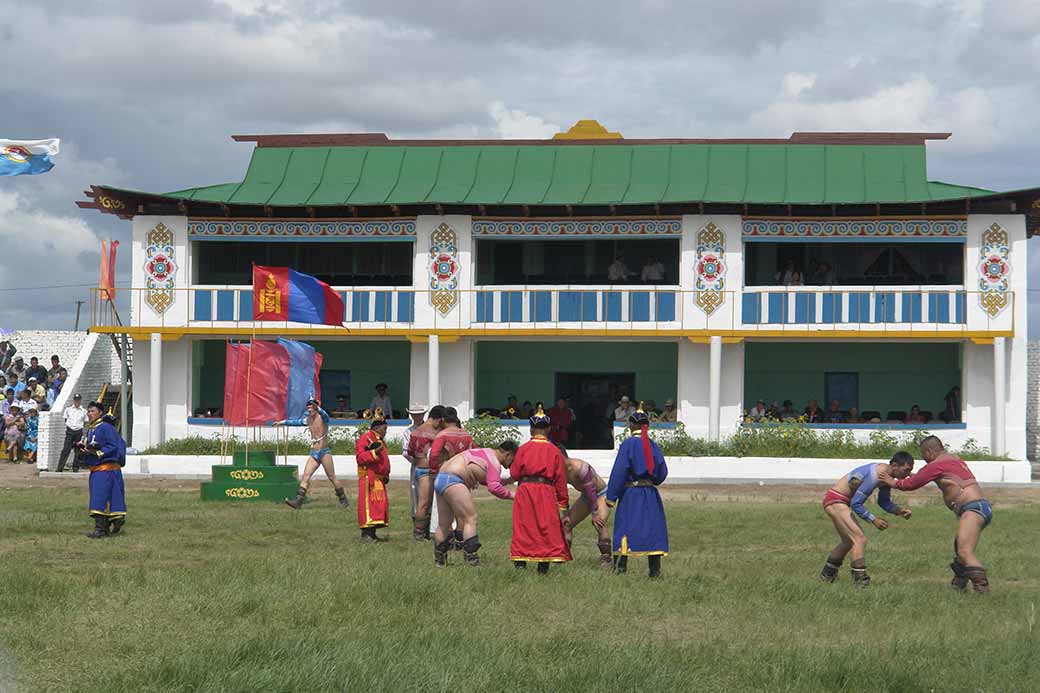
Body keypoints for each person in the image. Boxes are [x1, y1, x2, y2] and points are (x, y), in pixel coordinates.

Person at [880, 436, 993, 593]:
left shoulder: (936, 465)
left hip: (972, 509)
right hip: (981, 507)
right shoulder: (954, 459)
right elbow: (939, 478)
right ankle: (959, 586)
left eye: (923, 454)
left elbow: (910, 485)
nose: (924, 459)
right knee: (960, 550)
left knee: (964, 551)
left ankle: (982, 591)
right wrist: (914, 475)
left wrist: (891, 481)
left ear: (929, 451)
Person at [820, 453, 914, 586]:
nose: (908, 475)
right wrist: (873, 519)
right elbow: (856, 503)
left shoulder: (886, 476)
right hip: (836, 501)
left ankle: (827, 576)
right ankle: (860, 581)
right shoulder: (876, 475)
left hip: (837, 500)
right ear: (894, 465)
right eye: (906, 470)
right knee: (859, 539)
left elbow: (883, 501)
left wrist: (898, 511)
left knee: (848, 541)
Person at [606, 405, 669, 577]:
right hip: (650, 494)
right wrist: (651, 480)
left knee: (625, 528)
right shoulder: (652, 445)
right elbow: (662, 471)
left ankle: (620, 569)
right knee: (652, 530)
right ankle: (654, 571)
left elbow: (620, 471)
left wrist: (611, 497)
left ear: (632, 425)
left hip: (631, 494)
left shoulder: (628, 444)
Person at [432, 441, 518, 567]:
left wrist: (507, 481)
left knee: (444, 524)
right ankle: (471, 559)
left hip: (441, 477)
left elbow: (487, 478)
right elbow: (494, 488)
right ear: (508, 454)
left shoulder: (486, 452)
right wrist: (514, 496)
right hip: (454, 480)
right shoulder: (494, 462)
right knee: (470, 518)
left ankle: (440, 561)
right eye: (513, 460)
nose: (511, 464)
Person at [509, 406, 571, 573]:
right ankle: (543, 566)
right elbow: (560, 480)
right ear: (548, 429)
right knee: (546, 527)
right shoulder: (555, 451)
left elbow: (514, 473)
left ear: (531, 429)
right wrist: (563, 505)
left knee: (524, 525)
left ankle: (520, 563)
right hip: (546, 491)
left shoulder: (523, 449)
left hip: (525, 491)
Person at [274, 399, 350, 510]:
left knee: (332, 477)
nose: (309, 411)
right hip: (314, 453)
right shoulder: (308, 420)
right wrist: (282, 422)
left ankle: (343, 500)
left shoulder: (323, 418)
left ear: (316, 408)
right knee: (305, 476)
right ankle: (298, 501)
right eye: (308, 408)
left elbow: (325, 415)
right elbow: (296, 422)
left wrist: (317, 407)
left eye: (312, 408)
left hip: (324, 452)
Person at [78, 402, 127, 538]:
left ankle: (100, 529)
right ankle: (103, 528)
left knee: (100, 498)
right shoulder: (90, 429)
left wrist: (99, 453)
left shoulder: (106, 427)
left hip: (105, 470)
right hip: (95, 469)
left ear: (100, 413)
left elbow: (113, 446)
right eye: (88, 411)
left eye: (93, 411)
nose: (90, 414)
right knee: (98, 497)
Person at [560, 445, 614, 569]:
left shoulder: (579, 467)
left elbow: (591, 489)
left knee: (599, 522)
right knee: (566, 523)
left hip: (601, 493)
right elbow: (561, 492)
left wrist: (595, 513)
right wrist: (566, 513)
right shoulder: (558, 471)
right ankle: (564, 555)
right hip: (586, 496)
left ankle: (606, 557)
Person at [429, 408, 474, 548]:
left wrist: (433, 471)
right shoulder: (467, 435)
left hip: (446, 475)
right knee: (462, 510)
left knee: (445, 512)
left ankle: (445, 542)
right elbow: (474, 453)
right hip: (464, 474)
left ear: (443, 419)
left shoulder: (442, 435)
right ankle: (460, 540)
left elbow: (434, 455)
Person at [404, 404, 445, 540]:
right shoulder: (434, 433)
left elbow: (409, 451)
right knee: (425, 503)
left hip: (418, 467)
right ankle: (420, 532)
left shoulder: (415, 432)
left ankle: (420, 532)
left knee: (422, 502)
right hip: (427, 470)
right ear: (439, 419)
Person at [355, 415, 391, 541]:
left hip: (379, 479)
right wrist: (374, 452)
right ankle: (366, 534)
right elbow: (360, 458)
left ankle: (372, 533)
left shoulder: (380, 440)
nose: (385, 432)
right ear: (377, 428)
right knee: (368, 506)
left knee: (378, 506)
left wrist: (385, 474)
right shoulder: (365, 438)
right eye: (384, 429)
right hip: (368, 478)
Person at [57, 394, 88, 473]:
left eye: (78, 400)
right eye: (75, 400)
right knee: (65, 449)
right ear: (73, 400)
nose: (77, 401)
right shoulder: (68, 409)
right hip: (70, 431)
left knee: (78, 450)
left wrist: (79, 427)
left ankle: (75, 468)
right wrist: (70, 426)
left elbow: (85, 422)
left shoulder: (84, 411)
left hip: (79, 431)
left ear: (80, 400)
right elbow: (66, 419)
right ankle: (60, 467)